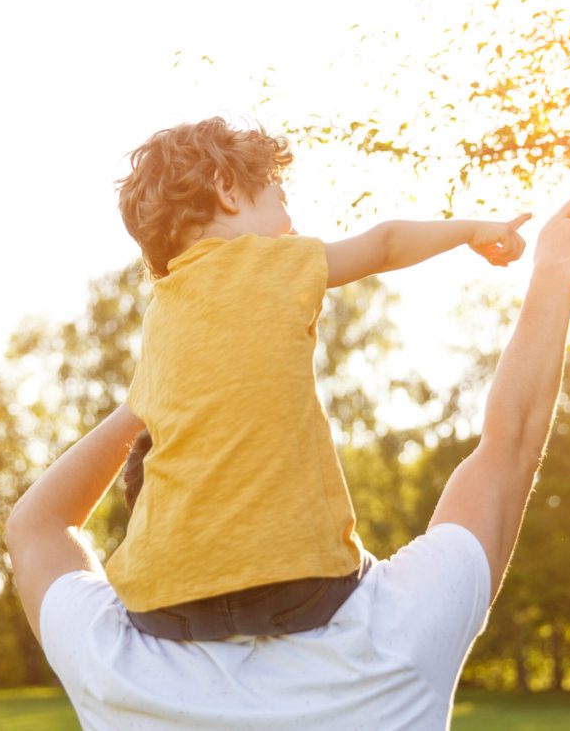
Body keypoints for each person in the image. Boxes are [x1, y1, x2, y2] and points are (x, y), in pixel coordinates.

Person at [4, 178, 570, 729]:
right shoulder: (401, 634)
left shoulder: (111, 666)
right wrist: (553, 271)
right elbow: (512, 443)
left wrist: (163, 388)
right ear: (231, 194)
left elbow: (36, 526)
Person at [105, 116, 533, 640]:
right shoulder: (275, 259)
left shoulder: (159, 314)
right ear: (227, 190)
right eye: (280, 201)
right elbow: (386, 244)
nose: (292, 224)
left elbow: (144, 448)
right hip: (298, 584)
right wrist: (471, 229)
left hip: (159, 599)